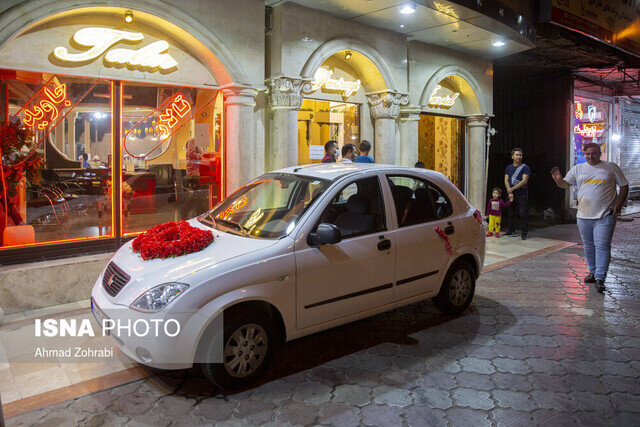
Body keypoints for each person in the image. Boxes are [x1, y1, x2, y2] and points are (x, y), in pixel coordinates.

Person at [551, 142, 629, 292]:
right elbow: (565, 184)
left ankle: (600, 277)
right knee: (588, 245)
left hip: (605, 215)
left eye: (593, 153)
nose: (590, 156)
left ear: (600, 153)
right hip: (583, 216)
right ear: (583, 154)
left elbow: (624, 185)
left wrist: (618, 206)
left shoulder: (610, 167)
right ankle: (593, 272)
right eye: (587, 154)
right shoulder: (578, 168)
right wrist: (558, 180)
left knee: (602, 246)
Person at [504, 148, 530, 240]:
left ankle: (524, 233)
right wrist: (509, 191)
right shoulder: (508, 167)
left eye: (520, 155)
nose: (519, 157)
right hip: (511, 194)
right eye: (517, 155)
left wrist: (511, 189)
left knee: (523, 213)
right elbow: (506, 180)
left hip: (521, 194)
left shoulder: (525, 167)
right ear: (512, 156)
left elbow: (524, 181)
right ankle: (511, 231)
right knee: (511, 213)